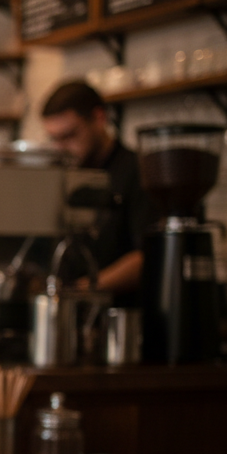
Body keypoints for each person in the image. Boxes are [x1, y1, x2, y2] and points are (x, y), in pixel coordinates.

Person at [41, 81, 150, 297]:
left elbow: (148, 256)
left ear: (99, 118)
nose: (60, 149)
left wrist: (82, 290)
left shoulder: (138, 171)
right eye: (54, 139)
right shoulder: (67, 174)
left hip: (123, 314)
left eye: (69, 136)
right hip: (75, 310)